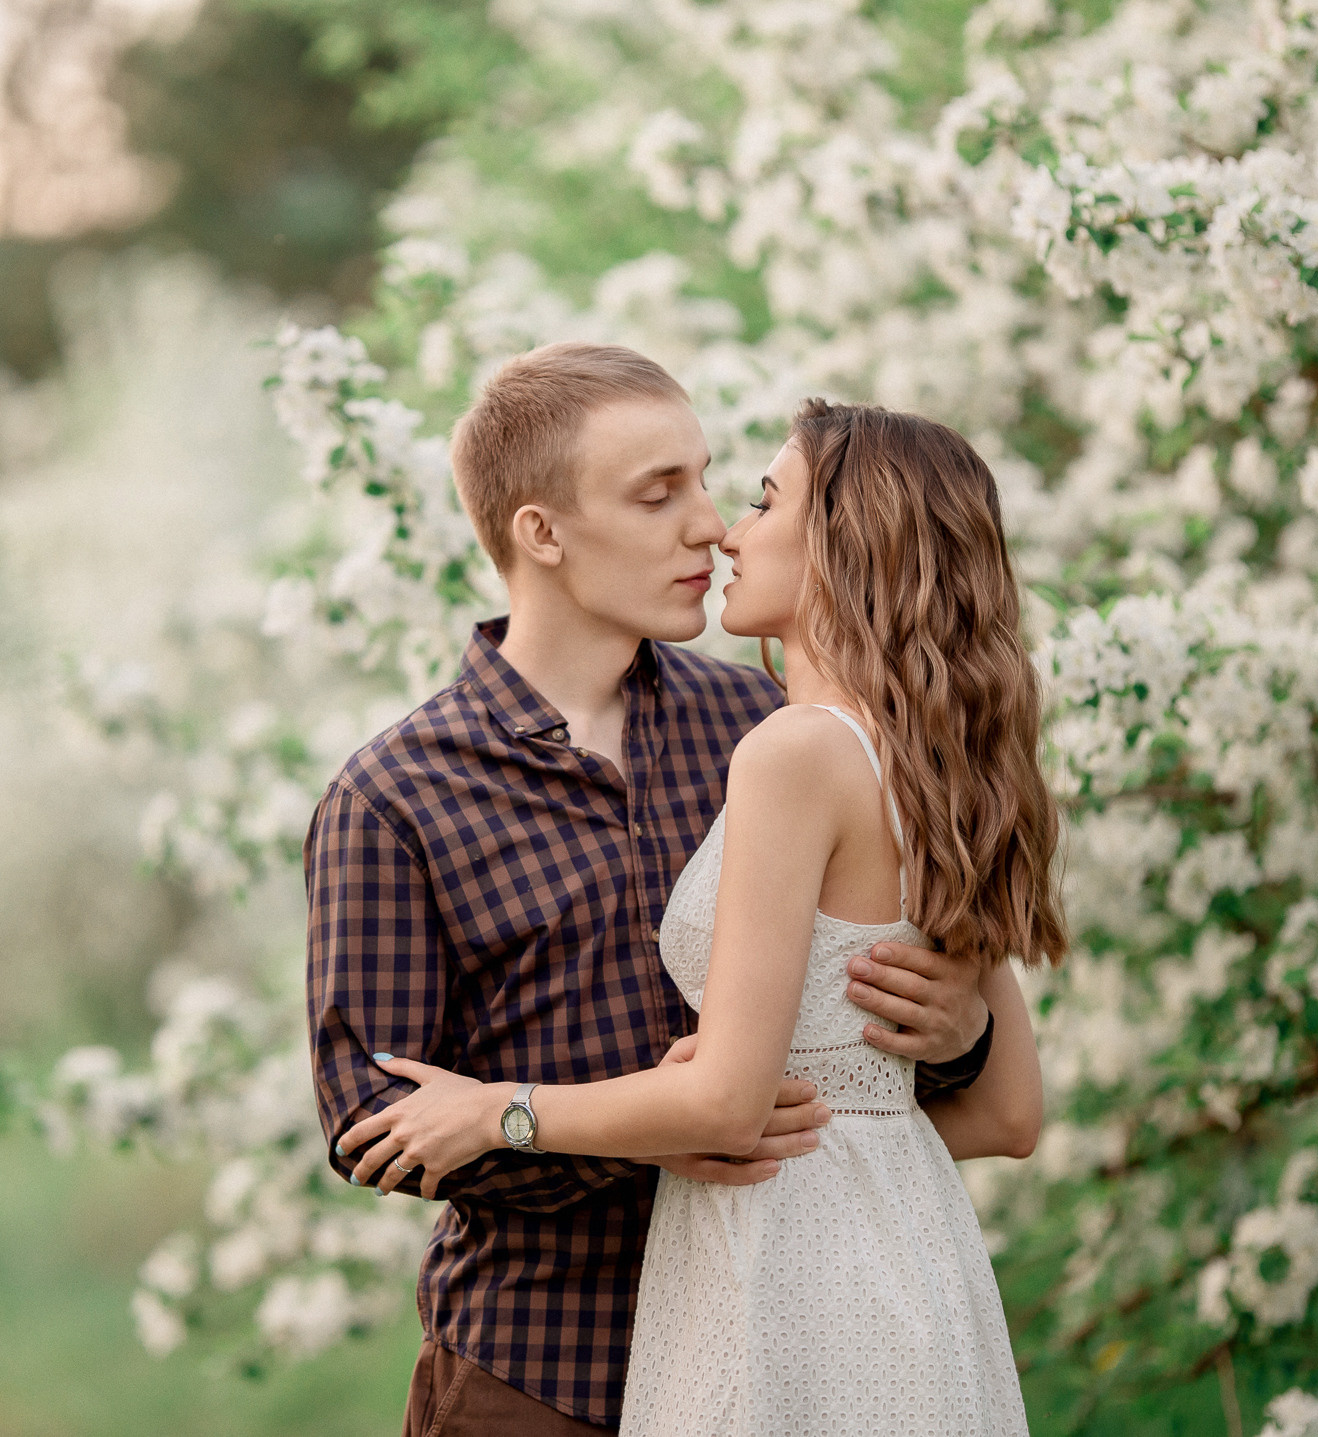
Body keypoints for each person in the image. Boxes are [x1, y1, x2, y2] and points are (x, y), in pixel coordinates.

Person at [305, 344, 1008, 1437]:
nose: (709, 524)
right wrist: (629, 1137)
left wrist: (962, 1026)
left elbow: (880, 1038)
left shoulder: (765, 728)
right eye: (657, 493)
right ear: (541, 532)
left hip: (790, 1334)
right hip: (542, 1370)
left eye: (711, 479)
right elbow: (374, 1120)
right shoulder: (397, 795)